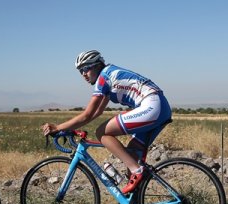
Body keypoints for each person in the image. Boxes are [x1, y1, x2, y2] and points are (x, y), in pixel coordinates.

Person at [41, 50, 172, 195]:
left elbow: (87, 115)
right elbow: (97, 112)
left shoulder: (104, 77)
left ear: (98, 65)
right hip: (160, 107)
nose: (83, 74)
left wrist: (58, 127)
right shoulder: (110, 74)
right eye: (80, 71)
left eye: (86, 68)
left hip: (153, 106)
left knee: (101, 132)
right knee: (133, 153)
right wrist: (67, 128)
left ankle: (137, 170)